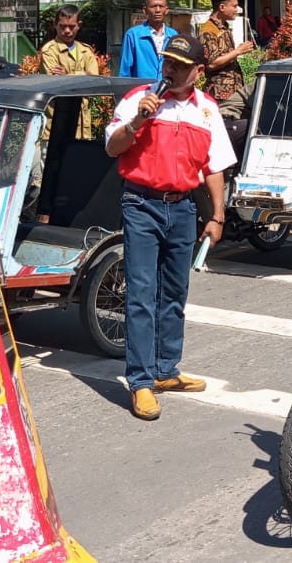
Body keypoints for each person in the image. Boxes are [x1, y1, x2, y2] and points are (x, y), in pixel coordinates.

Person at [104, 35, 235, 421]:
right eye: (167, 61)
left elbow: (214, 166)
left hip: (181, 210)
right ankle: (141, 381)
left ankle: (165, 370)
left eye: (179, 64)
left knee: (175, 293)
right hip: (141, 204)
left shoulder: (207, 110)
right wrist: (139, 119)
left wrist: (217, 215)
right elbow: (113, 148)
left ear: (197, 71)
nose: (170, 68)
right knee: (141, 294)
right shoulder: (138, 100)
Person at [199, 0, 254, 103]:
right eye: (234, 6)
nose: (237, 9)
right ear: (222, 7)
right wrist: (238, 51)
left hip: (232, 93)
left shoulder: (224, 28)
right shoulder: (208, 31)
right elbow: (212, 64)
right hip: (219, 95)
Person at [119, 0, 178, 81]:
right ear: (145, 10)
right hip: (143, 92)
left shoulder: (173, 36)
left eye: (161, 6)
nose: (157, 10)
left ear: (166, 10)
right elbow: (125, 71)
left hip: (167, 91)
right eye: (153, 6)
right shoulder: (134, 35)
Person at [37, 4, 101, 77]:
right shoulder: (49, 51)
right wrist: (84, 74)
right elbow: (55, 80)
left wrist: (67, 75)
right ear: (55, 24)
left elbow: (94, 78)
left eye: (71, 26)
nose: (67, 31)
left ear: (79, 25)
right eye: (62, 26)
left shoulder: (86, 50)